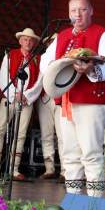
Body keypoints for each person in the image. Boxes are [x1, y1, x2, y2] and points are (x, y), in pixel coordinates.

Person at [40, 0, 105, 197]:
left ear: (91, 11)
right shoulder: (62, 36)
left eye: (82, 10)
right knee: (70, 154)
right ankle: (73, 200)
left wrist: (91, 70)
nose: (78, 14)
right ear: (68, 14)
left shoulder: (103, 35)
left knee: (91, 153)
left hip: (92, 102)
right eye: (74, 11)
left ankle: (95, 204)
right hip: (67, 102)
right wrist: (57, 70)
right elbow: (45, 62)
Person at [0, 28, 42, 181]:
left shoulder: (37, 59)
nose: (28, 42)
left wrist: (26, 96)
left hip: (26, 101)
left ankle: (14, 168)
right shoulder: (10, 55)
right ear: (20, 41)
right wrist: (15, 94)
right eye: (25, 39)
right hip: (9, 98)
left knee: (20, 134)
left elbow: (40, 82)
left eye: (31, 40)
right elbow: (3, 76)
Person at [36, 33, 65, 180]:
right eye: (49, 42)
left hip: (61, 98)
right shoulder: (44, 59)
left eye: (53, 42)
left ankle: (65, 171)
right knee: (46, 134)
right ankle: (49, 168)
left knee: (62, 135)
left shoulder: (64, 59)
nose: (51, 44)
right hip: (45, 98)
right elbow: (38, 80)